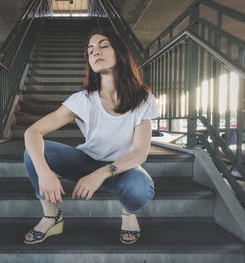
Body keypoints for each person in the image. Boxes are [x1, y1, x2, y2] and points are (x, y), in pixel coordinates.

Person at [23, 28, 159, 245]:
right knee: (35, 152)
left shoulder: (143, 99)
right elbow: (32, 132)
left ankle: (128, 213)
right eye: (90, 50)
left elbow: (140, 152)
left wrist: (100, 174)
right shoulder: (83, 100)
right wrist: (45, 173)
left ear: (120, 53)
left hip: (122, 168)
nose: (95, 52)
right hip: (85, 161)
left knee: (140, 189)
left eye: (103, 45)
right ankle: (52, 216)